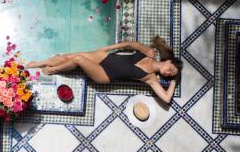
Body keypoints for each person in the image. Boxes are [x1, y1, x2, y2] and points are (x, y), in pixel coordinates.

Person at [26, 36, 183, 103]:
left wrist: (174, 81)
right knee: (71, 55)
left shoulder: (151, 79)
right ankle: (40, 62)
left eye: (170, 75)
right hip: (105, 58)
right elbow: (130, 44)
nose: (168, 73)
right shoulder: (150, 53)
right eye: (171, 69)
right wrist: (108, 48)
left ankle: (52, 70)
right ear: (168, 61)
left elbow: (166, 99)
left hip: (105, 75)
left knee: (78, 60)